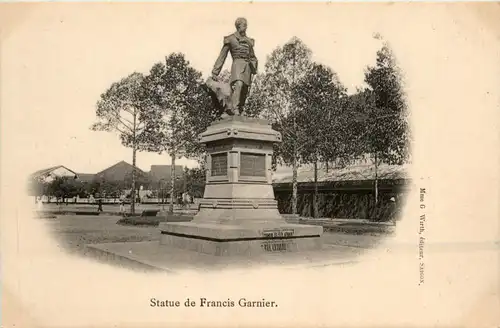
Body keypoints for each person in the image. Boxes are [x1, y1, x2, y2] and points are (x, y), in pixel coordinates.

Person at [211, 17, 258, 115]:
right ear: (238, 26)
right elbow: (222, 55)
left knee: (245, 88)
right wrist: (215, 71)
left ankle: (240, 108)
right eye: (244, 25)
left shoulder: (249, 41)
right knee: (239, 85)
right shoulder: (231, 39)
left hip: (247, 66)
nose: (245, 27)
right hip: (237, 64)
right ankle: (234, 108)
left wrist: (254, 67)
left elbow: (252, 56)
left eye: (246, 25)